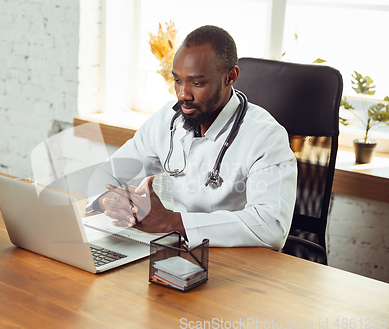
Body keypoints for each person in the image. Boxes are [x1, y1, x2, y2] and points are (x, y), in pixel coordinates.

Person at [85, 25, 297, 250]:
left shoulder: (265, 136)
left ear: (230, 77)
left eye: (197, 83)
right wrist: (108, 200)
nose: (183, 94)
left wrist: (172, 221)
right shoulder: (169, 119)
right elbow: (108, 172)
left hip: (240, 261)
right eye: (178, 80)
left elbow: (271, 226)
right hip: (180, 254)